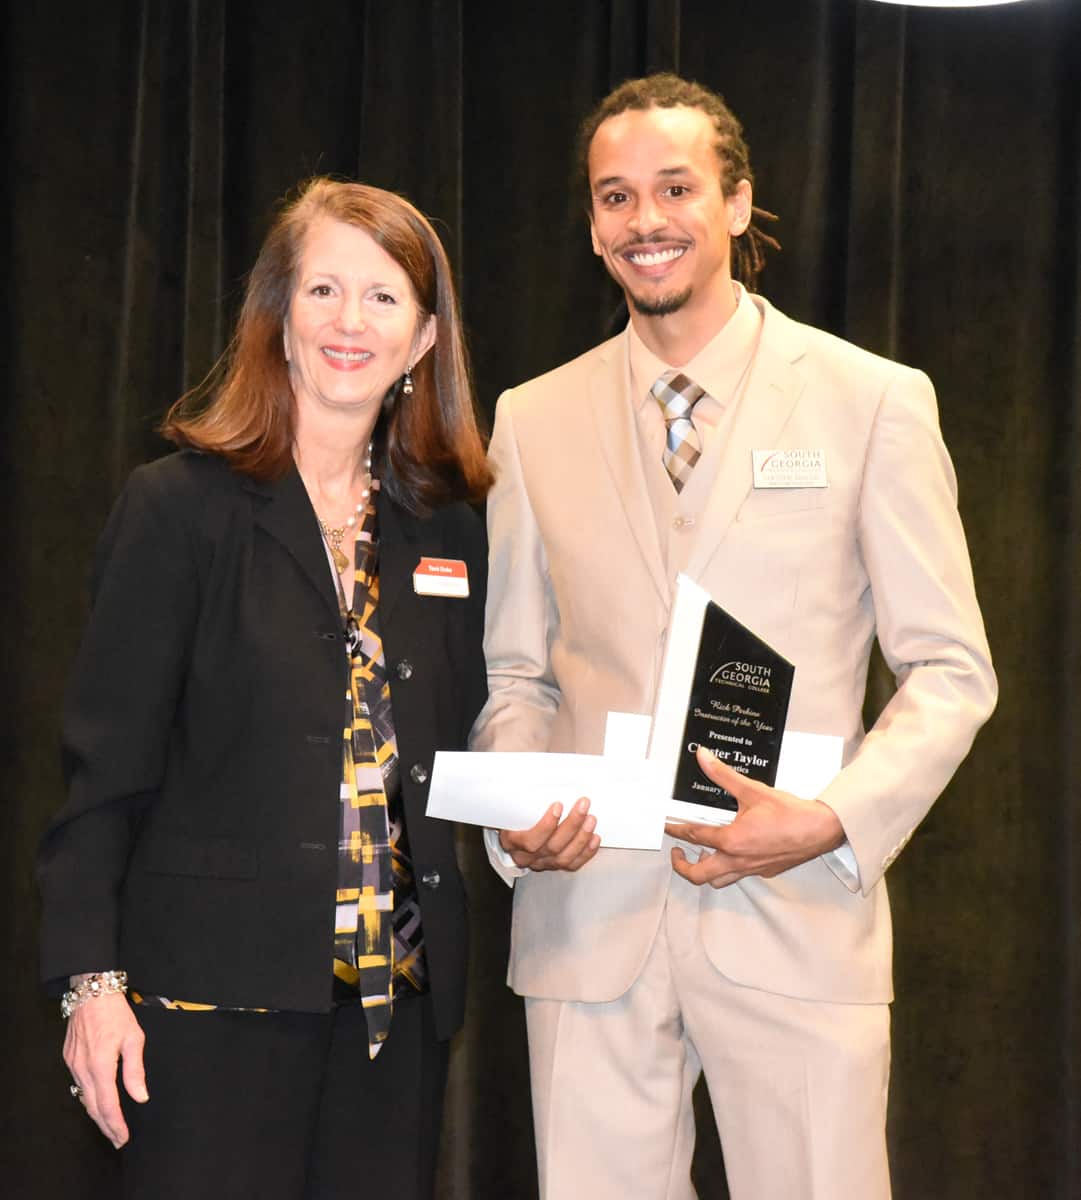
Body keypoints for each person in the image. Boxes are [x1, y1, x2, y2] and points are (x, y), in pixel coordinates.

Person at [470, 73, 997, 1199]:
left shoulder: (871, 401)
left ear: (738, 202)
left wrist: (831, 821)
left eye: (674, 188)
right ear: (592, 225)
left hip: (797, 918)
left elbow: (950, 671)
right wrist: (518, 821)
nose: (645, 220)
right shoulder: (529, 417)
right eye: (615, 197)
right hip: (586, 920)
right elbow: (516, 669)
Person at [38, 177, 492, 1199]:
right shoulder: (177, 510)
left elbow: (465, 741)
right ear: (278, 316)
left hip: (394, 1014)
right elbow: (102, 776)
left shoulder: (449, 532)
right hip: (206, 1014)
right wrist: (91, 988)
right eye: (323, 289)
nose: (349, 321)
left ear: (423, 342)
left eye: (384, 298)